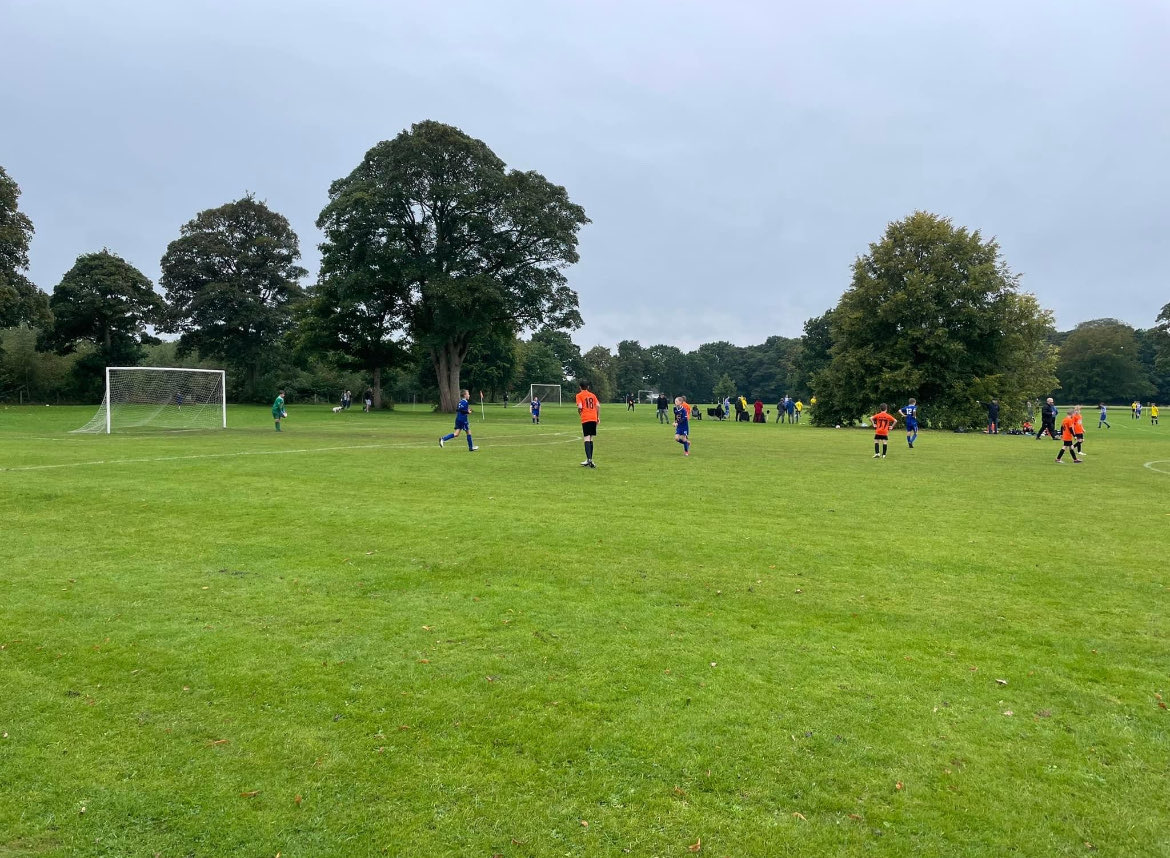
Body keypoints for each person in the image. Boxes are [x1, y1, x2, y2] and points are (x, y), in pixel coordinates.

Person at [577, 381, 599, 468]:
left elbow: (580, 406)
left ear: (580, 387)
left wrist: (579, 412)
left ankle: (589, 460)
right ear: (588, 387)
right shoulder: (593, 395)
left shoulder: (579, 395)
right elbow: (598, 406)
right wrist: (598, 417)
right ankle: (589, 459)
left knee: (586, 438)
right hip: (593, 417)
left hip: (586, 418)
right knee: (591, 438)